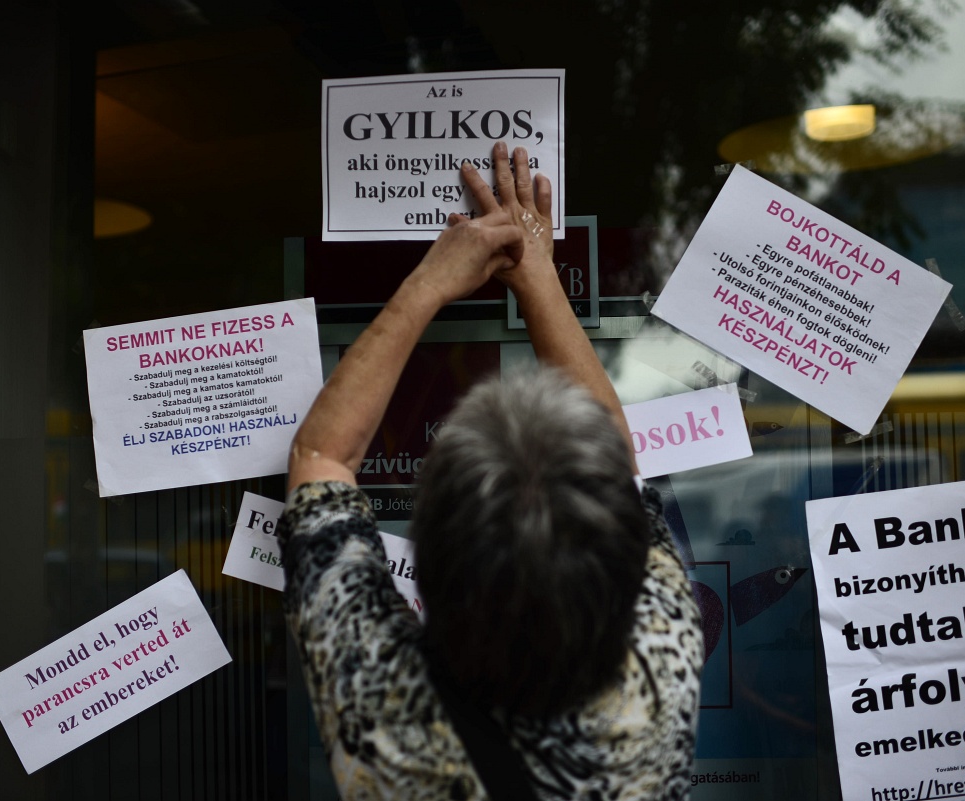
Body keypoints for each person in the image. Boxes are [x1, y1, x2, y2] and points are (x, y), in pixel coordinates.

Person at [281, 141, 703, 799]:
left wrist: (427, 284)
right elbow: (618, 463)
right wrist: (537, 275)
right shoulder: (662, 657)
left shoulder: (386, 710)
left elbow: (320, 458)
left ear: (434, 568)